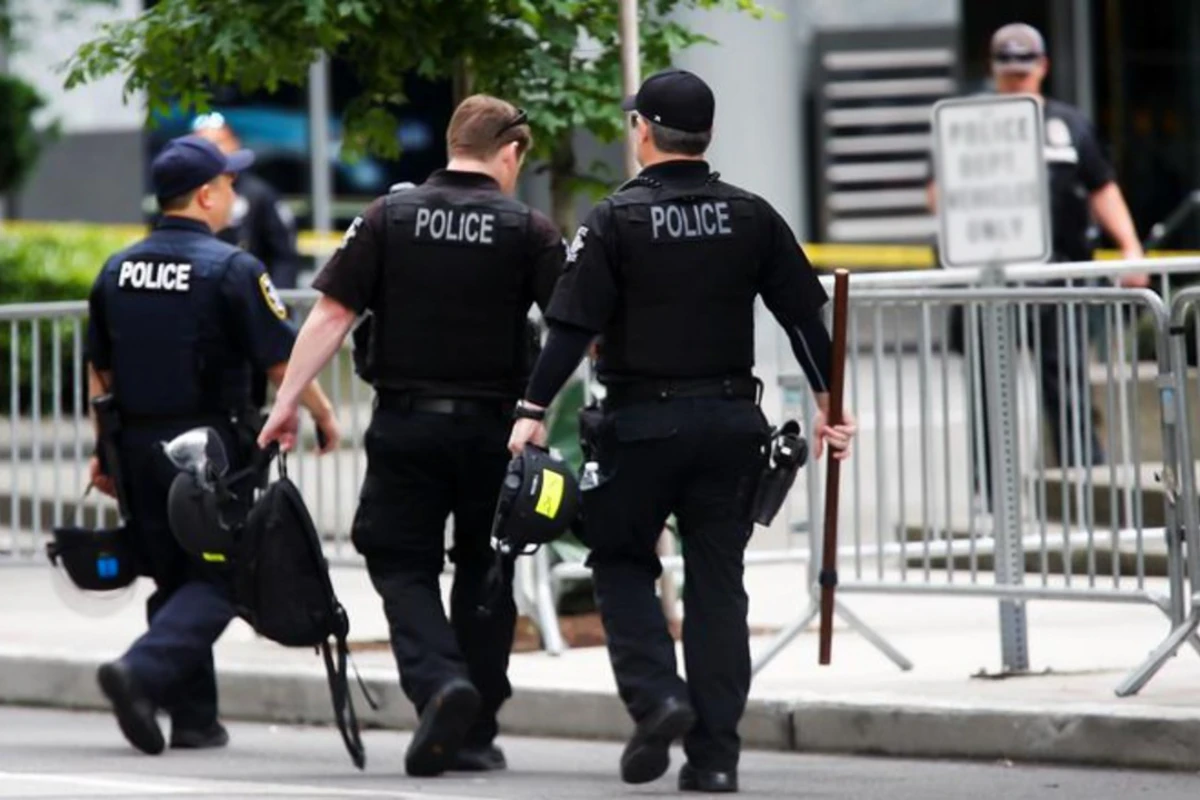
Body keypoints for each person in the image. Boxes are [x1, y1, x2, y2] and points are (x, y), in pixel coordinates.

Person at [506, 69, 856, 794]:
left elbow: (571, 329)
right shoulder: (752, 215)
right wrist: (830, 403)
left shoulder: (613, 220)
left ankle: (659, 698)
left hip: (640, 425)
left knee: (623, 560)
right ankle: (715, 757)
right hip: (731, 423)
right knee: (719, 586)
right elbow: (804, 320)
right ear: (707, 135)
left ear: (644, 132)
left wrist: (532, 412)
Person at [255, 94, 565, 777]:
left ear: (452, 143)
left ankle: (439, 683)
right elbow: (570, 329)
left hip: (407, 425)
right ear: (509, 153)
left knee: (400, 561)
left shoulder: (387, 217)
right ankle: (476, 726)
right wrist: (544, 406)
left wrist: (285, 405)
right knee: (487, 569)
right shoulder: (529, 229)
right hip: (498, 433)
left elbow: (332, 316)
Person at [85, 134, 339, 756]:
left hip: (135, 444)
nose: (232, 196)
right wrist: (327, 417)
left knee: (174, 576)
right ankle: (139, 673)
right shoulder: (232, 268)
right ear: (205, 194)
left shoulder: (117, 268)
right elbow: (283, 362)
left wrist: (102, 451)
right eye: (227, 185)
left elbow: (101, 376)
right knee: (229, 574)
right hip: (210, 450)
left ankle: (194, 720)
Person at [931, 22, 1146, 479]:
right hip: (988, 281)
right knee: (990, 397)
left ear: (1043, 67)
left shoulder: (1068, 126)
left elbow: (1101, 187)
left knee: (1067, 388)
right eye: (1007, 70)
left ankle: (1087, 494)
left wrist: (1129, 246)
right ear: (993, 69)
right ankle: (992, 502)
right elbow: (937, 192)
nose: (1016, 78)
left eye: (1024, 70)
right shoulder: (969, 127)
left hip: (1059, 278)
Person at [191, 112, 304, 290]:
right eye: (205, 144)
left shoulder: (259, 194)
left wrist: (274, 305)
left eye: (219, 142)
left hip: (249, 296)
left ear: (234, 142)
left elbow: (284, 257)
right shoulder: (185, 194)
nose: (214, 149)